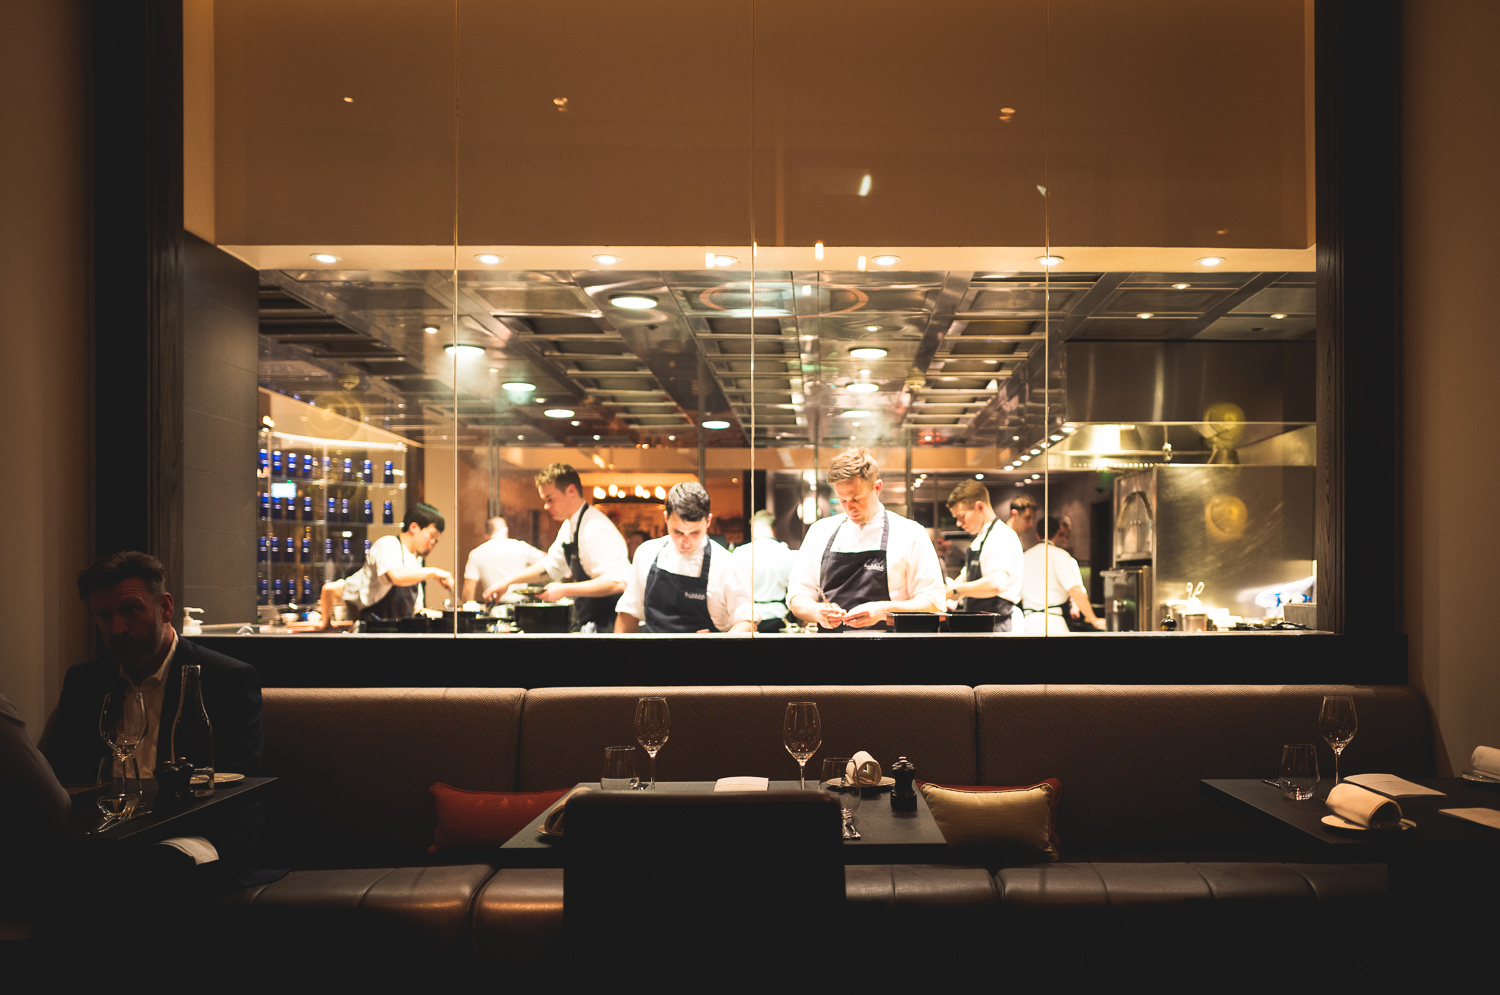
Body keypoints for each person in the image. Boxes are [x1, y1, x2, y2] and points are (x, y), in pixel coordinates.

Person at [46, 551, 265, 785]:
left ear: (165, 607)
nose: (117, 628)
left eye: (130, 610)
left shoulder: (224, 680)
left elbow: (241, 786)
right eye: (104, 616)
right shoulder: (84, 682)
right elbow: (64, 776)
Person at [786, 448, 945, 630]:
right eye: (842, 500)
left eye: (857, 499)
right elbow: (797, 597)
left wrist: (883, 611)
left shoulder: (910, 533)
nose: (849, 508)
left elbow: (934, 603)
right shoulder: (820, 531)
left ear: (877, 487)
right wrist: (817, 612)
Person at [483, 463, 630, 632]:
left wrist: (563, 590)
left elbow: (617, 583)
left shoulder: (595, 528)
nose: (546, 506)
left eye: (550, 499)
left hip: (611, 624)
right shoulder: (569, 526)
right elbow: (549, 567)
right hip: (591, 623)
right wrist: (507, 582)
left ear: (571, 491)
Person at [615, 482, 753, 633]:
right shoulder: (646, 554)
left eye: (695, 533)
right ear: (666, 518)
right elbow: (628, 613)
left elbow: (746, 622)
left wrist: (719, 642)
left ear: (708, 521)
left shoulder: (727, 564)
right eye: (678, 532)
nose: (686, 541)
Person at [322, 503, 454, 625]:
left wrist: (450, 616)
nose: (432, 543)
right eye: (432, 536)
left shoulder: (416, 560)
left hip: (400, 630)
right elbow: (395, 576)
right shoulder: (387, 544)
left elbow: (416, 610)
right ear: (414, 527)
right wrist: (433, 572)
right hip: (374, 630)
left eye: (436, 540)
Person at [943, 480, 1024, 632]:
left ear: (979, 506)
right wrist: (946, 595)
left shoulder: (1001, 535)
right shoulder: (980, 538)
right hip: (980, 624)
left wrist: (956, 590)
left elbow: (996, 584)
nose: (959, 523)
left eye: (961, 516)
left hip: (998, 624)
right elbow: (965, 576)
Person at [1020, 516, 1105, 633]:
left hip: (1027, 623)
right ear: (1057, 533)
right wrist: (1094, 620)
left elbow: (1020, 596)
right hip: (1053, 623)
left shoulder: (1024, 557)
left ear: (1037, 535)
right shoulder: (1061, 555)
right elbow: (1075, 590)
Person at [732, 510, 796, 632]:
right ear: (774, 529)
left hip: (747, 618)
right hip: (777, 617)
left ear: (754, 528)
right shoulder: (786, 553)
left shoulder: (739, 553)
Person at [462, 515, 545, 603]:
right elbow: (547, 561)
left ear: (486, 535)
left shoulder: (476, 553)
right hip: (520, 607)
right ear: (506, 530)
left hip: (494, 606)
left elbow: (468, 591)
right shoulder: (521, 547)